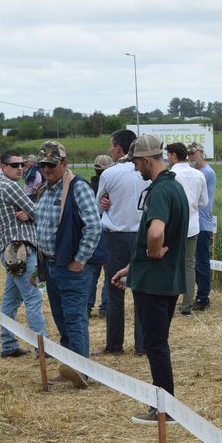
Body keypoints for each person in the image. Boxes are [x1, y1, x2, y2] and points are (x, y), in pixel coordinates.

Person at [109, 135, 189, 425]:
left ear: (146, 160)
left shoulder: (159, 192)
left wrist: (152, 255)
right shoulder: (175, 187)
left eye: (135, 162)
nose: (135, 168)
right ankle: (164, 405)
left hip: (154, 283)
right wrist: (133, 267)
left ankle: (164, 409)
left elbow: (156, 233)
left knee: (155, 345)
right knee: (159, 342)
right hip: (165, 280)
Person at [34, 141, 102, 387]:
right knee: (62, 319)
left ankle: (82, 371)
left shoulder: (78, 187)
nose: (47, 169)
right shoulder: (46, 189)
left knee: (74, 319)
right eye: (43, 165)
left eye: (52, 165)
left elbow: (94, 226)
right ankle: (69, 367)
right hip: (51, 265)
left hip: (70, 267)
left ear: (64, 163)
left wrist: (80, 259)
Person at [97, 129, 148, 354]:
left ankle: (114, 345)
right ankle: (142, 345)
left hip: (116, 237)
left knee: (115, 291)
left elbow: (99, 204)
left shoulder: (110, 174)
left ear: (118, 148)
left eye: (111, 146)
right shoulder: (146, 172)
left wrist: (107, 202)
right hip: (143, 236)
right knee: (142, 292)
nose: (110, 149)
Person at [0, 150, 47, 358]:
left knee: (11, 300)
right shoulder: (10, 185)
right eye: (14, 165)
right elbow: (36, 211)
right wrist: (31, 214)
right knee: (34, 297)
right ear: (2, 167)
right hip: (20, 250)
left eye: (22, 164)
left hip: (12, 251)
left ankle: (8, 345)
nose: (20, 168)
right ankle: (42, 347)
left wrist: (29, 214)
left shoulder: (1, 186)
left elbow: (30, 212)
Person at [166, 142, 208, 315]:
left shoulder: (170, 175)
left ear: (174, 156)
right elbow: (204, 202)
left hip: (172, 226)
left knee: (170, 264)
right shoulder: (198, 175)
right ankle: (186, 306)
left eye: (168, 155)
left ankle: (169, 301)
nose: (167, 158)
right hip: (192, 225)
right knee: (189, 265)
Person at [187, 142, 216, 311]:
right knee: (195, 262)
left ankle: (203, 297)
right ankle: (199, 295)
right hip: (196, 223)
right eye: (189, 154)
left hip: (202, 224)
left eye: (194, 154)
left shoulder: (206, 173)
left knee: (201, 262)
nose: (191, 157)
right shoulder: (198, 173)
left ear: (202, 153)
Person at [87, 154, 114, 319]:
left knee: (92, 272)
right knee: (109, 272)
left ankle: (87, 306)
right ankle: (105, 306)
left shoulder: (88, 187)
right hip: (107, 232)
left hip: (92, 233)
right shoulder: (110, 188)